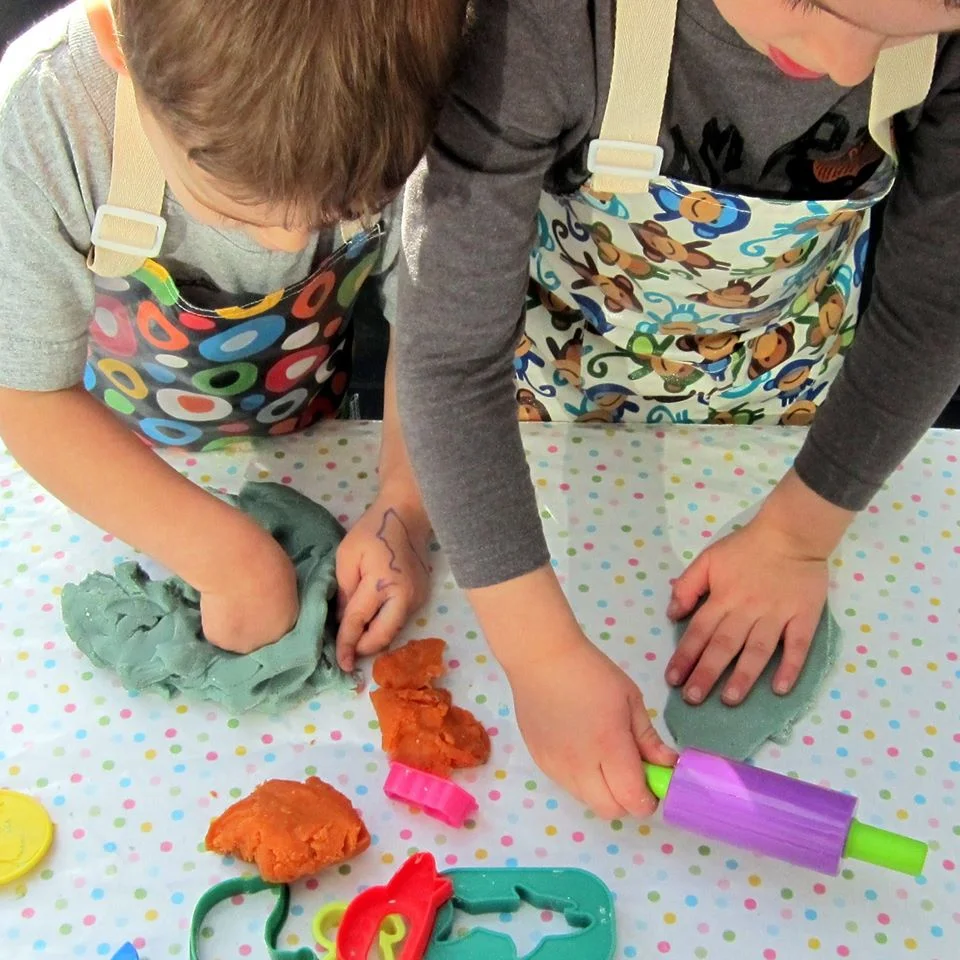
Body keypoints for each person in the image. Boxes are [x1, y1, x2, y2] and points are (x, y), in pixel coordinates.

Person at [397, 0, 960, 818]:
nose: (844, 63)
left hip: (785, 410)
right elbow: (448, 357)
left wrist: (798, 538)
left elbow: (933, 307)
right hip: (543, 419)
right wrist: (541, 655)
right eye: (814, 0)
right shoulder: (546, 26)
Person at [0, 0, 468, 666]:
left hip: (319, 432)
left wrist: (405, 505)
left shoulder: (424, 95)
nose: (288, 243)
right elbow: (29, 397)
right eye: (233, 210)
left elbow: (433, 342)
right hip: (113, 466)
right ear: (117, 41)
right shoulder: (45, 123)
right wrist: (226, 559)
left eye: (343, 213)